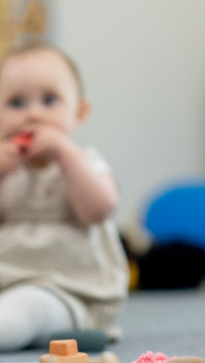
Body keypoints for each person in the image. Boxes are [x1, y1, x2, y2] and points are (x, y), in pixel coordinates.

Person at [0, 41, 128, 350]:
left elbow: (99, 209)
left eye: (49, 100)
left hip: (67, 288)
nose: (33, 114)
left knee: (28, 309)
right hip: (6, 281)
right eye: (16, 103)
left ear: (79, 112)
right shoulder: (6, 168)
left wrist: (66, 154)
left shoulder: (84, 160)